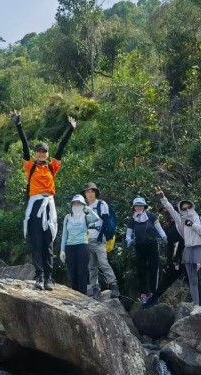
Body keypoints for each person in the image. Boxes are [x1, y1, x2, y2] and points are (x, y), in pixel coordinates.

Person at [10, 110, 76, 291]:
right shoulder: (30, 166)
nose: (41, 153)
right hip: (35, 205)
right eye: (38, 151)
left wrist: (70, 130)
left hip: (49, 206)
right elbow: (24, 146)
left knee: (48, 242)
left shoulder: (52, 167)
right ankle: (39, 277)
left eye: (44, 151)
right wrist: (18, 125)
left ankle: (48, 277)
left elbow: (62, 148)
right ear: (35, 153)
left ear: (47, 154)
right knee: (36, 242)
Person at [81, 182, 120, 299]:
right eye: (87, 192)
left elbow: (106, 221)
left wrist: (100, 236)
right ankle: (95, 288)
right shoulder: (84, 208)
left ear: (95, 193)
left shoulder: (101, 204)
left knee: (103, 263)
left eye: (92, 191)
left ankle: (114, 286)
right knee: (91, 266)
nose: (90, 194)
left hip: (99, 240)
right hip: (88, 241)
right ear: (85, 194)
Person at [125, 196, 167, 302]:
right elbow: (128, 234)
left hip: (152, 245)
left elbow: (160, 229)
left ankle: (154, 293)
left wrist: (164, 237)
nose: (138, 207)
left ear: (144, 206)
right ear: (134, 207)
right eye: (136, 205)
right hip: (139, 246)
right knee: (141, 270)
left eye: (140, 205)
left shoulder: (152, 216)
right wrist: (129, 240)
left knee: (154, 269)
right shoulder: (132, 220)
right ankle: (144, 293)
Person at [60, 195, 100, 295]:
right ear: (71, 205)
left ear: (83, 205)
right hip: (70, 247)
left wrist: (89, 210)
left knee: (82, 272)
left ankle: (82, 295)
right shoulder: (67, 217)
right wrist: (62, 250)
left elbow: (96, 218)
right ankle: (74, 295)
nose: (76, 205)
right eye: (74, 203)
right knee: (72, 273)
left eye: (79, 203)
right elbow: (64, 234)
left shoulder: (86, 217)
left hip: (82, 246)